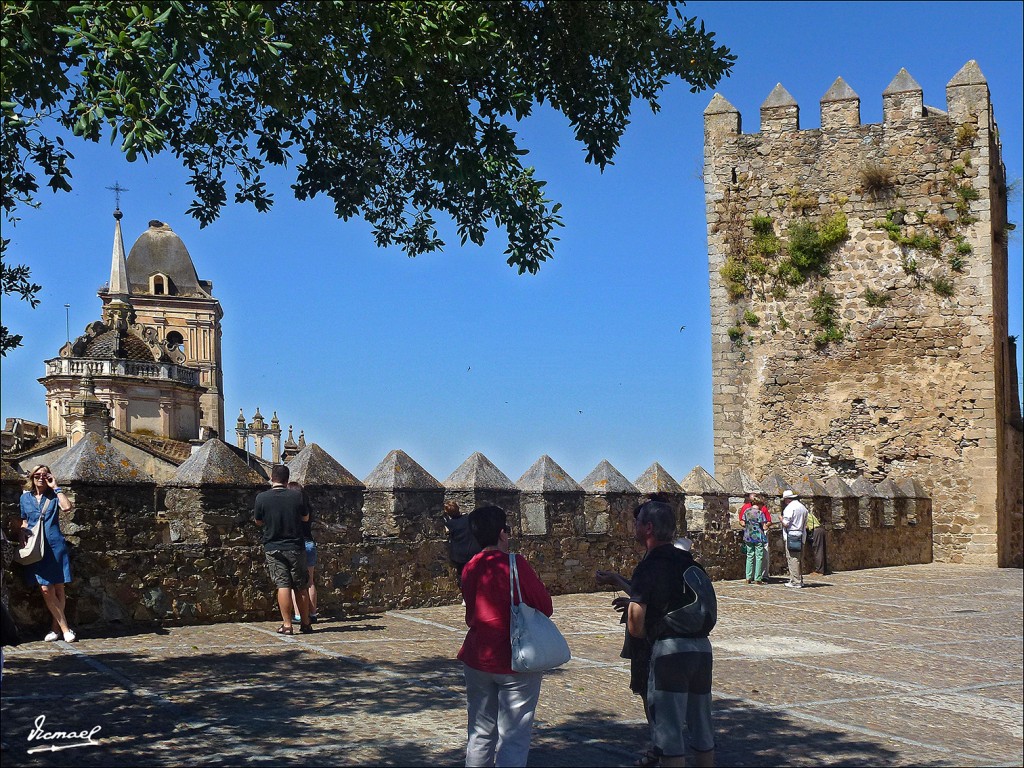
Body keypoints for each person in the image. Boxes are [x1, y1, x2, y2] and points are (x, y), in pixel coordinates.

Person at [458, 505, 552, 767]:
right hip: (515, 659)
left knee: (479, 733)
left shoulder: (469, 567)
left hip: (477, 657)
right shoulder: (515, 564)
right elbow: (545, 605)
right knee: (513, 737)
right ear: (502, 533)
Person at [627, 500, 715, 768]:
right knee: (702, 726)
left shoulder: (649, 565)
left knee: (669, 734)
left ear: (649, 528)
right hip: (702, 650)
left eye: (638, 521)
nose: (635, 526)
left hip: (670, 654)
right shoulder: (691, 563)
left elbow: (635, 624)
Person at [19, 465, 76, 642]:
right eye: (37, 475)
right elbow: (24, 520)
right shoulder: (25, 498)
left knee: (58, 587)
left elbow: (67, 507)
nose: (41, 478)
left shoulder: (53, 495)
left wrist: (56, 487)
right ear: (32, 477)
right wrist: (22, 533)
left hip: (54, 545)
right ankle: (66, 629)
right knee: (45, 588)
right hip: (37, 547)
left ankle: (56, 629)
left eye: (45, 475)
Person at [253, 465, 312, 635]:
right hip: (295, 546)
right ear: (287, 479)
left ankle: (287, 625)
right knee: (301, 586)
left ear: (272, 478)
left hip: (273, 546)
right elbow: (305, 517)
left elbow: (258, 521)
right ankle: (306, 623)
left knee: (283, 585)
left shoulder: (262, 498)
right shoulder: (296, 496)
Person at [288, 481, 318, 624]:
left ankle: (299, 614)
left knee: (296, 583)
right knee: (310, 582)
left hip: (297, 545)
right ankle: (313, 614)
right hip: (310, 543)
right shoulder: (308, 507)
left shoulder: (290, 508)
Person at [443, 500, 482, 589]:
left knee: (463, 575)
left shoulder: (450, 524)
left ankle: (466, 595)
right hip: (474, 551)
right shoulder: (469, 518)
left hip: (460, 554)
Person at [738, 493, 771, 583]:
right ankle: (758, 578)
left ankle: (748, 577)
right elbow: (764, 526)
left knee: (749, 556)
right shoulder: (760, 513)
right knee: (759, 556)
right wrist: (766, 526)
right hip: (758, 537)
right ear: (760, 503)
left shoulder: (747, 512)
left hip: (748, 536)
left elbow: (743, 523)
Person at [780, 490, 809, 589]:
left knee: (792, 558)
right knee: (799, 558)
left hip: (792, 535)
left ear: (787, 499)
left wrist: (781, 519)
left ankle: (795, 581)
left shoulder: (790, 508)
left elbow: (786, 523)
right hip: (801, 534)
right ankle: (798, 579)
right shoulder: (803, 507)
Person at [805, 509, 830, 576]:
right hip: (821, 529)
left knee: (818, 551)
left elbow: (806, 526)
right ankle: (824, 569)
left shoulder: (803, 515)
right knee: (822, 550)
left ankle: (819, 571)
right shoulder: (809, 514)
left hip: (816, 531)